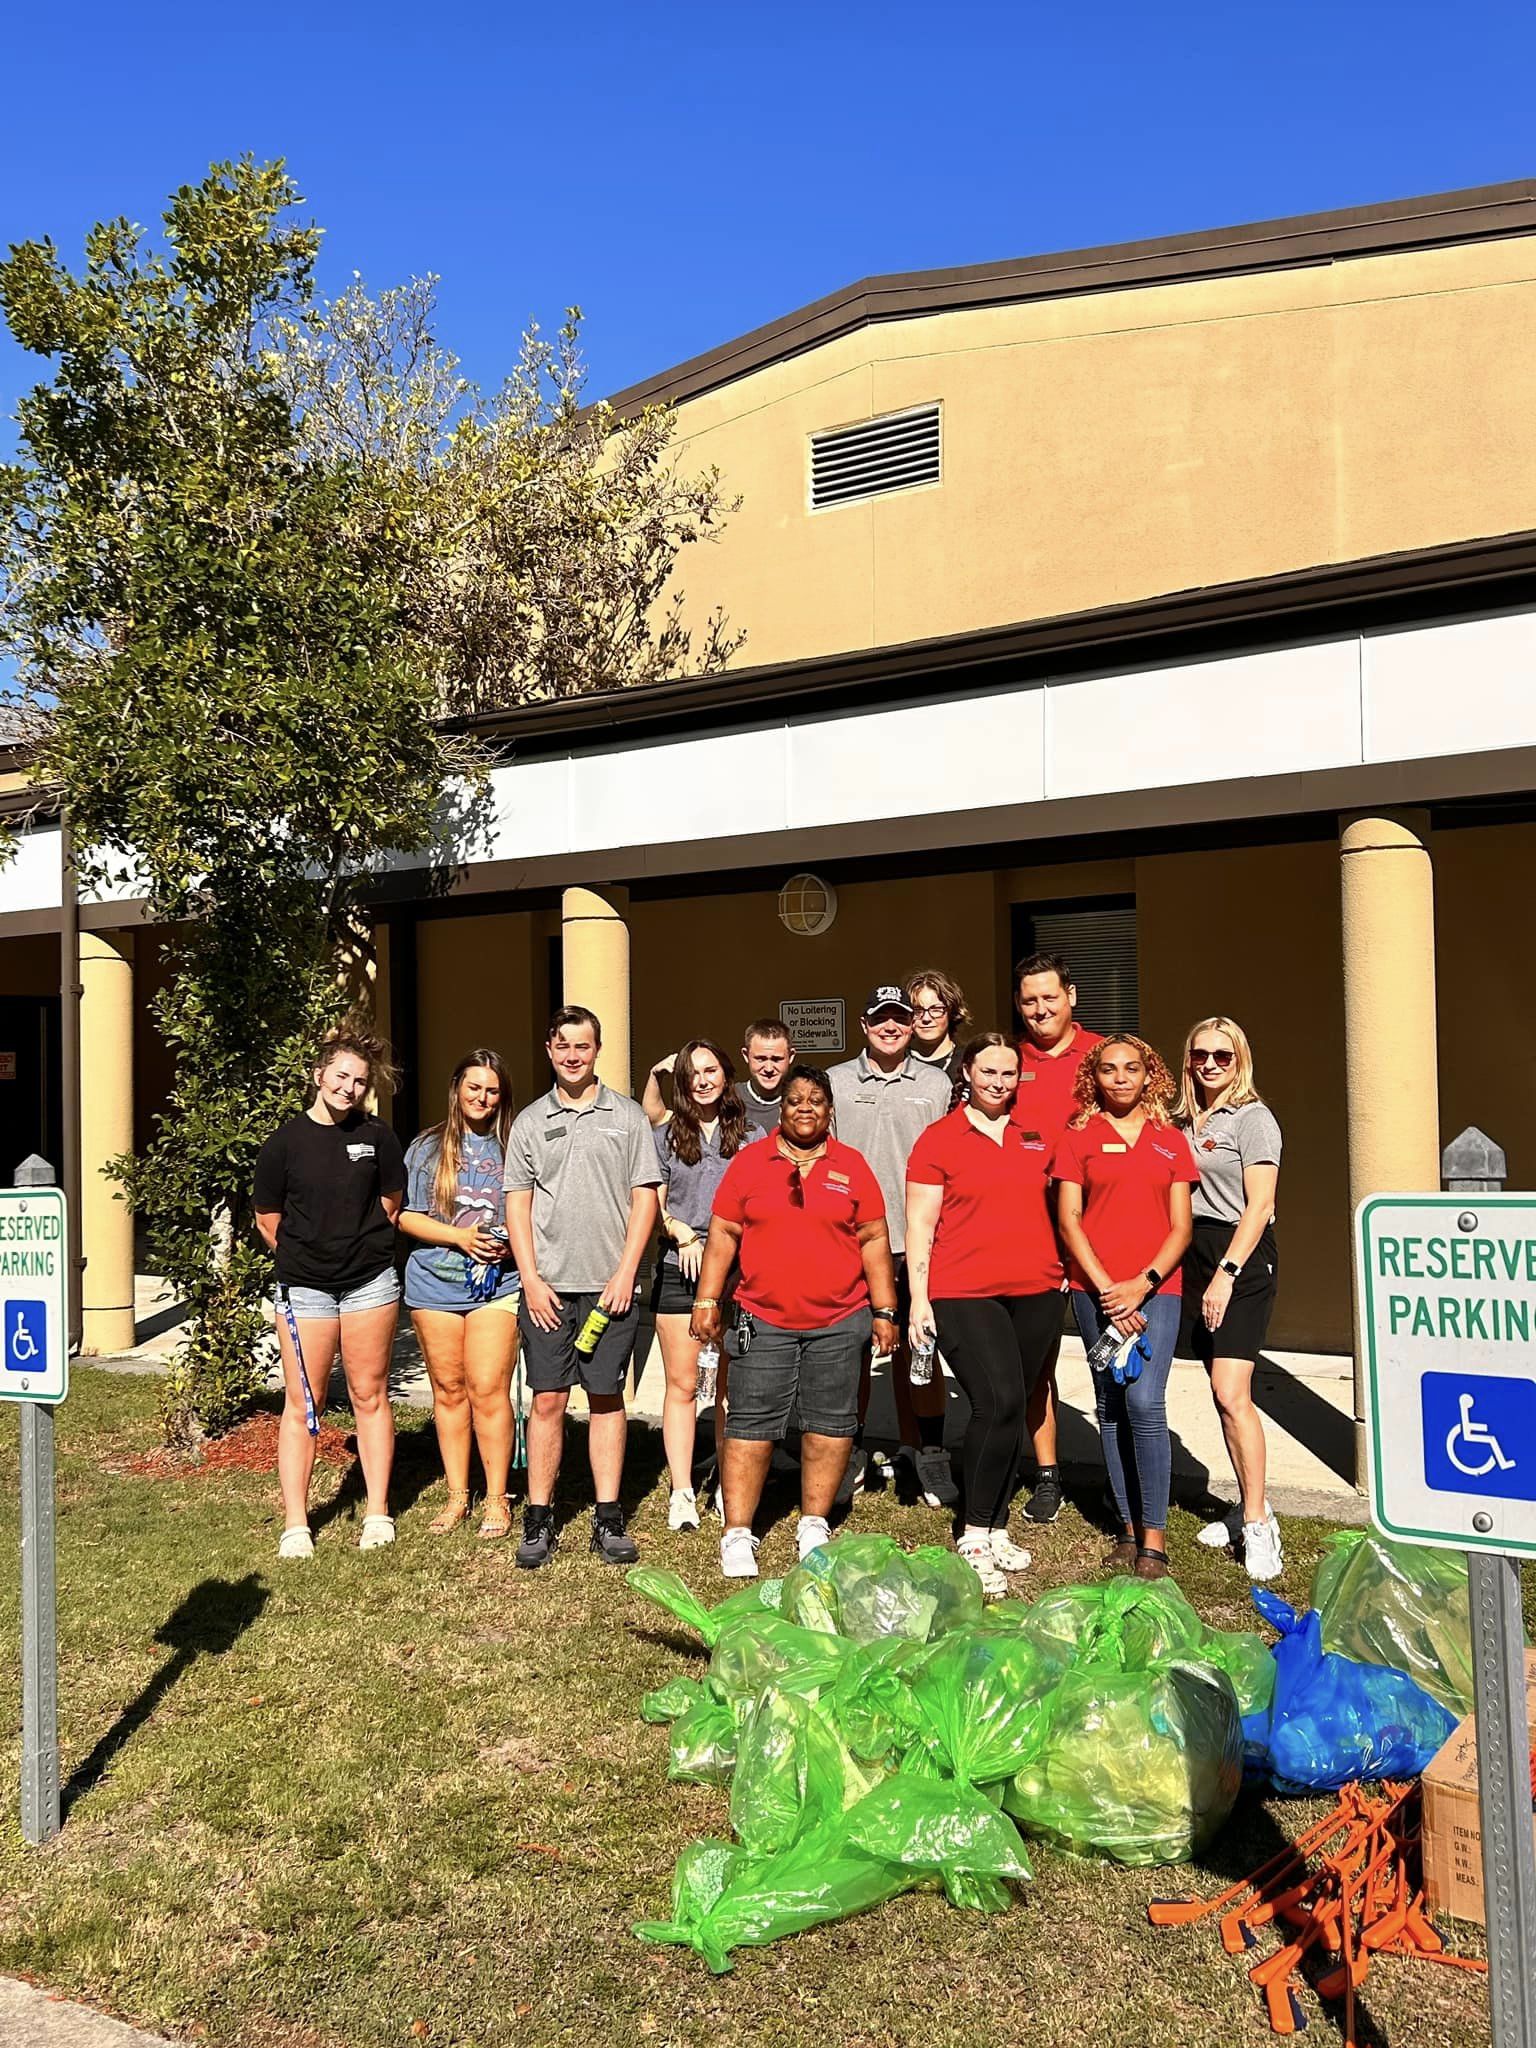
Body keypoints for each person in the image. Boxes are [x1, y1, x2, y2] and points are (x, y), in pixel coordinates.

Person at [691, 1064, 898, 1577]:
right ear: (780, 1108)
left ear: (830, 1110)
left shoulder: (852, 1166)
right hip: (762, 1319)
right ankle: (738, 1531)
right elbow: (723, 1234)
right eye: (794, 1100)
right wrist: (707, 1299)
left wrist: (885, 1309)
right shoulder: (750, 1163)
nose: (804, 1108)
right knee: (749, 1424)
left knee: (829, 1424)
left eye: (815, 1100)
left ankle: (814, 1524)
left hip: (840, 1319)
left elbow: (874, 1239)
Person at [503, 1006, 663, 1569]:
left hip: (609, 1288)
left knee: (605, 1398)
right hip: (547, 1288)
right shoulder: (528, 1122)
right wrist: (529, 1279)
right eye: (563, 1045)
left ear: (598, 1051)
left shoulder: (626, 1117)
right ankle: (540, 1517)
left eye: (584, 1046)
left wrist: (626, 1272)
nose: (573, 1055)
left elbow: (645, 1196)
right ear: (550, 1050)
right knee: (546, 1399)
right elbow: (517, 1204)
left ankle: (608, 1514)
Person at [905, 1034, 1064, 1597]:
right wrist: (919, 1299)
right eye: (988, 1072)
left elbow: (1064, 1203)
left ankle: (996, 1524)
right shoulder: (939, 1139)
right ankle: (972, 1533)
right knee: (993, 1400)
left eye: (1008, 1073)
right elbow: (920, 1225)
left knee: (1016, 1404)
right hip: (963, 1291)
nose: (998, 1082)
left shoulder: (1036, 1134)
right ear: (967, 1073)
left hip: (1038, 1288)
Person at [253, 1027, 406, 1560]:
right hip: (305, 1289)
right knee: (304, 1403)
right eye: (341, 1076)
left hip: (369, 1284)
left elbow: (391, 1201)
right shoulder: (284, 1143)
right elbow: (268, 1219)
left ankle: (378, 1511)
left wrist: (356, 1246)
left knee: (370, 1395)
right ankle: (296, 1523)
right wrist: (310, 1255)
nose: (349, 1087)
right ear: (319, 1076)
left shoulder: (378, 1136)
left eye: (359, 1081)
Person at [1052, 1035, 1198, 1580]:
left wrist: (1142, 1283)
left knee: (1144, 1402)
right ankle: (1127, 1528)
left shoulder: (1170, 1141)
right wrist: (1110, 1289)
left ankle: (1154, 1540)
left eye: (1131, 1069)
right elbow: (1070, 1220)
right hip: (1096, 1291)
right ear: (1095, 1077)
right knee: (1110, 1402)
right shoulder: (1079, 1138)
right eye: (1109, 1070)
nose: (1120, 1079)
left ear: (1148, 1076)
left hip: (1158, 1289)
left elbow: (1181, 1227)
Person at [829, 986, 954, 1509]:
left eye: (900, 1019)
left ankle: (926, 1452)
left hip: (918, 1241)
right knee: (852, 1352)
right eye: (881, 1018)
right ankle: (850, 1450)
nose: (891, 1027)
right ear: (864, 1024)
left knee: (918, 1351)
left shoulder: (936, 1083)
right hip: (850, 1240)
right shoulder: (834, 1082)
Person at [1175, 1017, 1284, 1581]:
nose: (1210, 1064)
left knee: (1231, 1390)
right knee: (1220, 1393)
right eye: (1201, 1055)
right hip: (1193, 1249)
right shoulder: (1182, 1118)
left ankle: (1261, 1522)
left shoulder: (1253, 1119)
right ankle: (1245, 1502)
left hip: (1238, 1252)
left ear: (1239, 1058)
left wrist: (1225, 1274)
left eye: (1222, 1055)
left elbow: (1259, 1204)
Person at [398, 1049, 522, 1540]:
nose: (483, 1098)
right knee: (449, 1391)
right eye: (474, 1087)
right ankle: (456, 1495)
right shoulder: (426, 1149)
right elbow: (406, 1216)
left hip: (500, 1285)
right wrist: (460, 1238)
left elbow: (533, 1212)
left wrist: (508, 1241)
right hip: (434, 1284)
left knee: (488, 1387)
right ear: (457, 1089)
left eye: (492, 1090)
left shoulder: (515, 1146)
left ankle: (496, 1496)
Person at [651, 1038, 763, 1530]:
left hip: (740, 1270)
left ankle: (723, 1477)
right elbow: (650, 1203)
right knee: (682, 1383)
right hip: (682, 1266)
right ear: (681, 1081)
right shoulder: (663, 1136)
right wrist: (680, 1235)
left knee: (728, 1386)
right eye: (692, 1072)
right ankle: (681, 1489)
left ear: (726, 1074)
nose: (702, 1079)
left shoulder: (753, 1135)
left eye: (711, 1069)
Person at [1011, 951, 1106, 1527]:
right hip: (1029, 1233)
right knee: (1035, 1364)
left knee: (1109, 1358)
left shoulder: (1104, 1056)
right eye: (1029, 1000)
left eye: (1050, 997)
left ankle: (1123, 1470)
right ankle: (1047, 1476)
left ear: (1072, 996)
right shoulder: (1007, 1061)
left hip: (1099, 1229)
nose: (1041, 1009)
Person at [643, 1018, 795, 1137]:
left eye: (776, 1059)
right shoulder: (727, 1097)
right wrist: (655, 1075)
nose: (768, 1068)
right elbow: (657, 1119)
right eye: (760, 1059)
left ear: (791, 1056)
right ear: (745, 1055)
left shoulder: (801, 1102)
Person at [905, 969, 971, 1090]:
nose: (926, 1018)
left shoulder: (969, 1061)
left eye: (936, 1009)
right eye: (917, 1011)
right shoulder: (898, 1063)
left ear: (951, 1012)